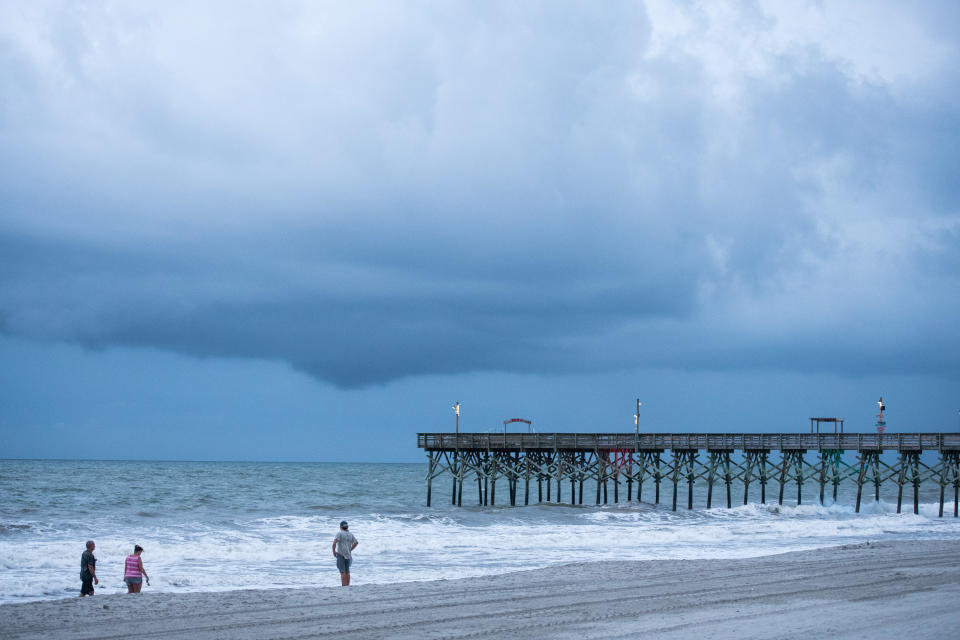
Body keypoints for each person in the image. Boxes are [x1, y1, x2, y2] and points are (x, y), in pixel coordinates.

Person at [331, 520, 358, 586]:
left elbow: (334, 543)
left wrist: (334, 552)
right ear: (347, 527)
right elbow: (356, 542)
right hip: (348, 555)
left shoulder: (339, 533)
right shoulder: (350, 534)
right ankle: (347, 585)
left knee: (342, 571)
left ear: (340, 527)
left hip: (341, 554)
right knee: (347, 571)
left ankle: (343, 585)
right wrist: (350, 550)